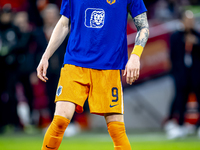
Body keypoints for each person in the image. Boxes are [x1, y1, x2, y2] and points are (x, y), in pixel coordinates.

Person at [37, 0, 149, 149]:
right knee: (60, 121)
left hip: (109, 66)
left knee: (117, 130)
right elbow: (64, 23)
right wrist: (46, 55)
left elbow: (143, 27)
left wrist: (135, 56)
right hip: (75, 63)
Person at [165, 10, 200, 139]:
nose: (190, 23)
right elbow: (172, 56)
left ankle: (197, 127)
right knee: (180, 99)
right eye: (188, 20)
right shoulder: (175, 36)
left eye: (192, 21)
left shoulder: (197, 35)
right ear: (182, 21)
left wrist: (196, 43)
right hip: (181, 74)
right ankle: (178, 125)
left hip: (196, 74)